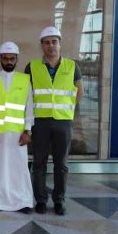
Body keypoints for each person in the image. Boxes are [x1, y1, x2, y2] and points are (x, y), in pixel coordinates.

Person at [26, 26, 83, 215]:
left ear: (60, 43)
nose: (51, 45)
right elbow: (26, 95)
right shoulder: (32, 67)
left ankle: (59, 200)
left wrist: (65, 107)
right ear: (42, 45)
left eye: (54, 42)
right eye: (47, 42)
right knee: (39, 162)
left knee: (61, 164)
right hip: (40, 121)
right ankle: (41, 200)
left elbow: (79, 92)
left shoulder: (72, 66)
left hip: (63, 122)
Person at [0, 41, 34, 214]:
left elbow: (29, 108)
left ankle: (22, 201)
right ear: (0, 59)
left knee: (19, 168)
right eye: (5, 58)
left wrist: (28, 131)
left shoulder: (25, 79)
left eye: (12, 58)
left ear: (17, 59)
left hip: (18, 134)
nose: (9, 61)